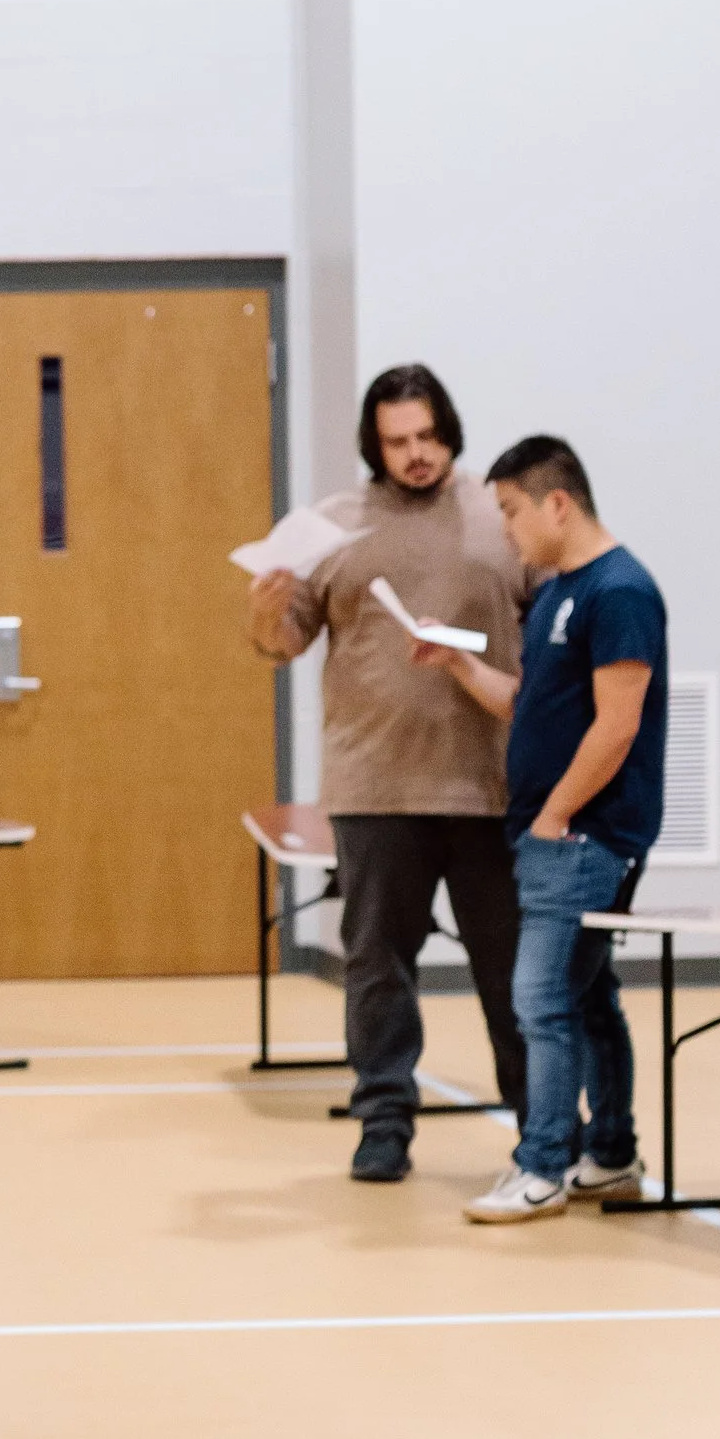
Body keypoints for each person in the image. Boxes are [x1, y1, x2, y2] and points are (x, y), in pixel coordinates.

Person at [248, 363, 527, 1180]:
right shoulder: (332, 527)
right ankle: (383, 1122)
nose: (416, 454)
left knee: (512, 973)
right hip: (375, 788)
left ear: (450, 433)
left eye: (428, 437)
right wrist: (266, 605)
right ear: (373, 445)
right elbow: (280, 642)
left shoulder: (497, 515)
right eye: (398, 441)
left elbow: (550, 631)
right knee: (377, 968)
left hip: (490, 786)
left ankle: (541, 1131)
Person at [410, 435, 667, 1224]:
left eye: (514, 513)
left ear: (559, 503)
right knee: (587, 1000)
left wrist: (556, 814)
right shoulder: (559, 592)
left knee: (541, 999)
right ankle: (611, 1155)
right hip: (556, 832)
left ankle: (543, 1166)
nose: (509, 532)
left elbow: (617, 726)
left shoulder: (619, 591)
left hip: (583, 837)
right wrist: (456, 664)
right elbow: (530, 706)